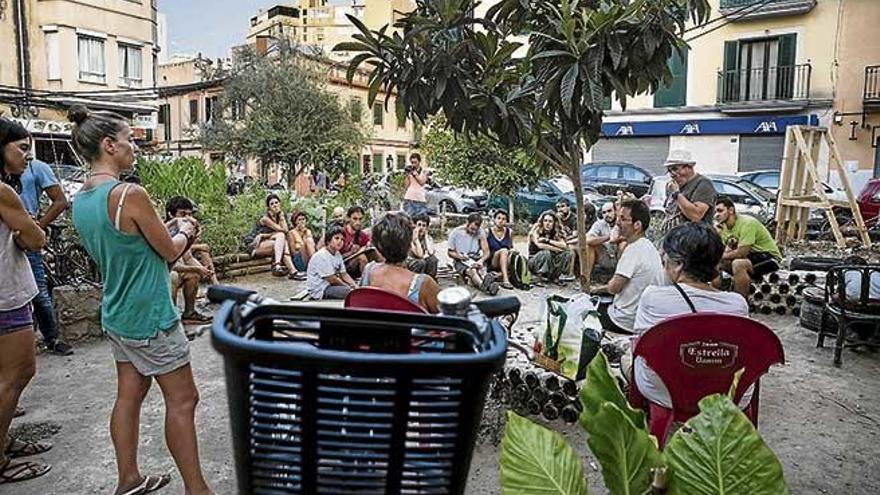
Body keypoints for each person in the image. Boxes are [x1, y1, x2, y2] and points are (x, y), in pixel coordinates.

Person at [68, 105, 213, 495]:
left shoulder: (82, 199)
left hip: (117, 311)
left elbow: (128, 243)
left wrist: (167, 231)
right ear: (108, 145)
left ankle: (128, 479)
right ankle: (198, 489)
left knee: (129, 395)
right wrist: (186, 230)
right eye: (129, 140)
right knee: (184, 399)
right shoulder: (129, 193)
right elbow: (168, 251)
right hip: (150, 314)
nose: (135, 147)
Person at [628, 222, 752, 410]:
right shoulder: (737, 304)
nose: (663, 262)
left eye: (665, 258)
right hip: (726, 395)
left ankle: (643, 416)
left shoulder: (653, 297)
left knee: (627, 357)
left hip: (666, 393)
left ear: (678, 264)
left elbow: (640, 345)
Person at [0, 117, 52, 484]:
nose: (27, 157)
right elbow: (35, 240)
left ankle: (3, 441)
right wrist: (33, 229)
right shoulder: (3, 191)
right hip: (6, 294)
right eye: (21, 149)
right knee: (18, 373)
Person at [18, 154, 72, 355]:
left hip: (25, 235)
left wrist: (39, 226)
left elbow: (60, 201)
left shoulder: (36, 167)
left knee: (38, 292)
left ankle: (52, 338)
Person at [591, 199, 664, 334]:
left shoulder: (634, 250)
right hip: (643, 318)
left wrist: (595, 290)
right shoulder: (649, 247)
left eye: (623, 219)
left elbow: (614, 288)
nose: (618, 222)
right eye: (619, 217)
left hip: (624, 321)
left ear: (637, 225)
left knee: (582, 309)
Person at [361, 212, 440, 313]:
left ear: (378, 245)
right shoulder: (424, 283)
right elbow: (447, 321)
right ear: (409, 243)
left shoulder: (368, 271)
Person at [714, 197, 782, 298]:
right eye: (715, 212)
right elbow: (726, 250)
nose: (716, 215)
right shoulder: (723, 227)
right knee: (715, 262)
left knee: (738, 264)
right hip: (750, 258)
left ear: (731, 210)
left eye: (720, 211)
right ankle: (715, 297)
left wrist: (720, 255)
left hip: (768, 257)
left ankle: (740, 303)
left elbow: (742, 252)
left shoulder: (747, 223)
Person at [658, 149, 716, 238]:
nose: (672, 174)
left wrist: (676, 194)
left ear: (689, 167)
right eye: (669, 170)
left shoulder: (703, 184)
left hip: (695, 242)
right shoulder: (675, 185)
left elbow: (696, 216)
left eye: (675, 169)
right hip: (675, 241)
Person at [243, 194, 297, 278]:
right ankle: (288, 269)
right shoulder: (265, 218)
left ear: (280, 204)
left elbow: (285, 231)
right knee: (282, 240)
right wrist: (266, 235)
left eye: (276, 203)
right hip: (255, 245)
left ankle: (285, 268)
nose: (275, 205)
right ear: (268, 207)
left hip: (269, 242)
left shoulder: (280, 216)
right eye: (272, 204)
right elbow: (283, 230)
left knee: (282, 239)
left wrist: (281, 217)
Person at [447, 212, 498, 294]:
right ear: (467, 223)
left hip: (475, 258)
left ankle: (489, 285)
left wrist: (481, 261)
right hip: (461, 260)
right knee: (472, 271)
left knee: (481, 271)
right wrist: (459, 256)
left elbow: (486, 252)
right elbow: (449, 253)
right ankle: (484, 287)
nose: (474, 232)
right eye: (472, 229)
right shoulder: (456, 233)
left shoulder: (480, 232)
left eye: (476, 230)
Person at [306, 223, 357, 300]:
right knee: (351, 293)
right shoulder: (322, 255)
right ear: (328, 241)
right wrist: (348, 286)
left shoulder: (337, 254)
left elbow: (344, 274)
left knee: (356, 289)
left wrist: (355, 285)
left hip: (330, 286)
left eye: (342, 239)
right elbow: (332, 279)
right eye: (336, 238)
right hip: (320, 289)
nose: (340, 241)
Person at [527, 210, 572, 285]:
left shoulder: (556, 232)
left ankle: (555, 277)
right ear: (542, 222)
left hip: (550, 261)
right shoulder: (536, 231)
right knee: (546, 252)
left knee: (566, 253)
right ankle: (538, 278)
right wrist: (557, 249)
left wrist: (547, 240)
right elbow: (540, 245)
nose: (547, 223)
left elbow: (564, 245)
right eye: (545, 221)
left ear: (554, 223)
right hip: (534, 261)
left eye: (550, 221)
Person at [584, 202, 624, 280]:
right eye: (604, 212)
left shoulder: (623, 222)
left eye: (609, 211)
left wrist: (617, 238)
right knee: (589, 246)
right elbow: (588, 240)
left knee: (623, 244)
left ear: (615, 211)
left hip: (620, 257)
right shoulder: (599, 224)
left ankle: (620, 277)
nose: (607, 214)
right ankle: (586, 278)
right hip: (606, 256)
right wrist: (608, 237)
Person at [340, 205, 381, 278]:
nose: (358, 222)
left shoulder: (362, 235)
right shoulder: (341, 234)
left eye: (360, 219)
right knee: (361, 257)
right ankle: (365, 284)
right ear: (348, 218)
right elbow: (334, 257)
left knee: (375, 252)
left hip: (358, 265)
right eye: (355, 219)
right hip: (343, 265)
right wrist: (353, 252)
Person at [487, 209, 515, 289]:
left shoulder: (509, 232)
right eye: (498, 218)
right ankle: (505, 280)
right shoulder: (488, 232)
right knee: (503, 250)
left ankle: (499, 275)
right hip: (493, 260)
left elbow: (511, 247)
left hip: (506, 259)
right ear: (494, 219)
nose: (501, 221)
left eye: (503, 219)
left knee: (510, 253)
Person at [407, 212, 438, 279]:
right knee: (421, 262)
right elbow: (419, 255)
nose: (421, 228)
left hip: (421, 263)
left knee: (433, 260)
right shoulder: (410, 238)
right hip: (410, 264)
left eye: (424, 226)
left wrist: (426, 236)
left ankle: (430, 281)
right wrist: (416, 239)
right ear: (415, 225)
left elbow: (431, 252)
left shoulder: (428, 238)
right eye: (419, 225)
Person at [288, 211, 315, 280]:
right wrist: (303, 239)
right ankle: (315, 265)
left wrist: (306, 234)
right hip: (299, 259)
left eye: (303, 219)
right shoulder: (292, 233)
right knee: (307, 241)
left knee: (309, 240)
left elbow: (313, 246)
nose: (302, 221)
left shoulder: (308, 231)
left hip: (309, 257)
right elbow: (293, 252)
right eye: (299, 220)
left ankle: (315, 265)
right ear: (295, 222)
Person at [402, 153, 429, 217]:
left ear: (419, 162)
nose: (413, 164)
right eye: (412, 162)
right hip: (409, 198)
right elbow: (406, 186)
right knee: (408, 220)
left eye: (415, 162)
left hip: (420, 199)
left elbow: (422, 182)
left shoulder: (424, 171)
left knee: (422, 219)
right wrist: (407, 175)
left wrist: (415, 175)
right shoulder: (410, 171)